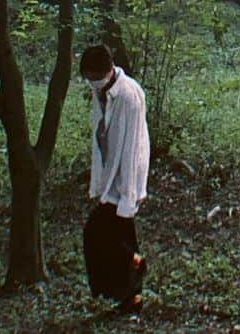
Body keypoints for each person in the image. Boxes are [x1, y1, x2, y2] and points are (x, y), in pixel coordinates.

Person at [79, 44, 150, 317]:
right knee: (121, 236)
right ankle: (131, 297)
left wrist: (128, 194)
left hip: (124, 178)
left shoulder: (128, 96)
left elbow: (131, 147)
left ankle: (134, 265)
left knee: (96, 233)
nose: (90, 82)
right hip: (112, 175)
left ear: (106, 70)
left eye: (92, 75)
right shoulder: (102, 91)